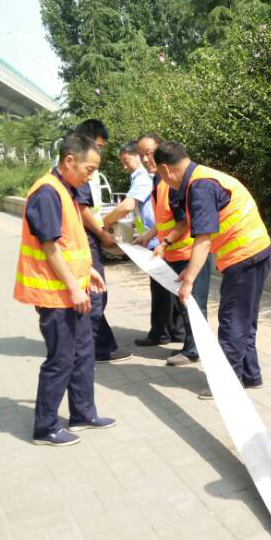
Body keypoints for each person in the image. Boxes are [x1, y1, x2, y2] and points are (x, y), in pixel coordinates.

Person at [14, 134, 114, 446]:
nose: (91, 176)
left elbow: (71, 243)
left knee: (83, 353)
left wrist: (88, 272)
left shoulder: (65, 189)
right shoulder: (46, 192)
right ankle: (45, 428)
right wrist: (73, 287)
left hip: (73, 290)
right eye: (89, 168)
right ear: (69, 161)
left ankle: (83, 413)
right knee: (61, 359)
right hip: (56, 295)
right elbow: (50, 247)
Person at [153, 141, 271, 399]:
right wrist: (184, 264)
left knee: (231, 322)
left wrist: (189, 281)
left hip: (243, 256)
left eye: (162, 177)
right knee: (244, 319)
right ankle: (250, 375)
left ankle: (227, 386)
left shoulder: (200, 186)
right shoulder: (202, 177)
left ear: (165, 169)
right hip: (256, 250)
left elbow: (203, 239)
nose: (165, 184)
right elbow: (196, 227)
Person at [137, 133, 214, 367]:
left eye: (150, 153)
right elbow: (165, 219)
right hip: (172, 252)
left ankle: (193, 350)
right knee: (181, 302)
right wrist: (150, 235)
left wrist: (164, 243)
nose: (145, 159)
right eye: (141, 155)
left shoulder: (173, 181)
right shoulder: (158, 181)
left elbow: (184, 221)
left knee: (192, 303)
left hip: (188, 253)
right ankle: (184, 343)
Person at [103, 141, 184, 349]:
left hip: (162, 242)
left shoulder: (144, 177)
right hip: (158, 239)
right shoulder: (153, 177)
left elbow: (128, 205)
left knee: (161, 291)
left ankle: (161, 334)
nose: (124, 166)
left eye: (126, 160)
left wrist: (105, 222)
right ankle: (175, 332)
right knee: (167, 289)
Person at [72, 119, 132, 364]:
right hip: (85, 236)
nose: (100, 151)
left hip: (87, 234)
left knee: (94, 293)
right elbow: (82, 208)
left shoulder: (79, 164)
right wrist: (102, 234)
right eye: (98, 145)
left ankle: (98, 345)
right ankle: (96, 349)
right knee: (96, 294)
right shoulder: (79, 167)